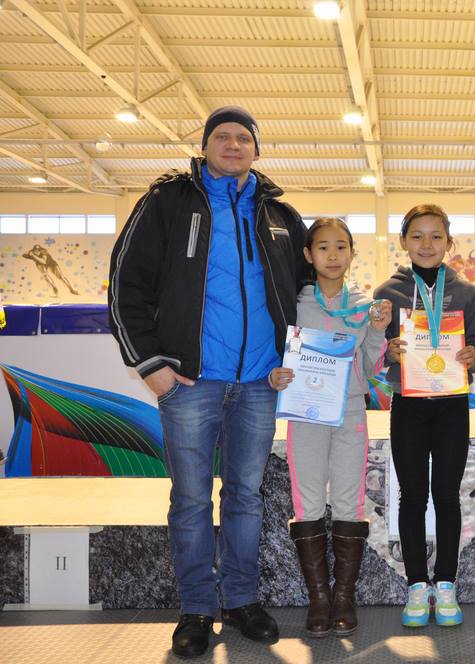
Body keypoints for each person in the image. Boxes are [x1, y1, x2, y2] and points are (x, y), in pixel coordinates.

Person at [108, 106, 307, 658]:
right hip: (190, 383)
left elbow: (309, 286)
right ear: (204, 145)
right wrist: (151, 365)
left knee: (245, 496)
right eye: (223, 136)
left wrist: (347, 326)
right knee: (192, 499)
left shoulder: (278, 214)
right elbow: (126, 283)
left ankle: (241, 600)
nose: (234, 144)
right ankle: (196, 608)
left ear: (257, 150)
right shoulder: (168, 202)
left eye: (244, 138)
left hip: (260, 383)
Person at [269, 218, 392, 638]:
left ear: (353, 253)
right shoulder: (292, 303)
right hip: (305, 414)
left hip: (350, 412)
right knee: (307, 504)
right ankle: (319, 598)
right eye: (323, 247)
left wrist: (377, 332)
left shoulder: (364, 306)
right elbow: (276, 354)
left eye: (342, 247)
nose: (333, 255)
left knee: (347, 503)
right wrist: (275, 375)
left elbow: (370, 367)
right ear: (308, 254)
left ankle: (343, 597)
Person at [374, 204, 475, 628]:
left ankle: (447, 584)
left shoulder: (466, 292)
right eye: (417, 236)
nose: (426, 244)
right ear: (403, 242)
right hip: (409, 405)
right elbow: (377, 349)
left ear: (448, 242)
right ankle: (417, 585)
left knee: (447, 495)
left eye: (436, 236)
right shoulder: (388, 292)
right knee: (412, 495)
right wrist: (389, 352)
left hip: (452, 405)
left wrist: (473, 356)